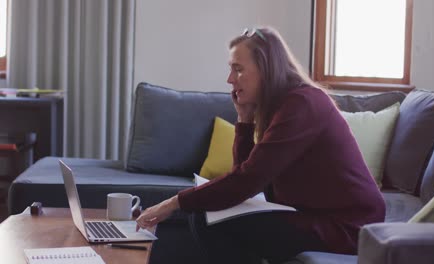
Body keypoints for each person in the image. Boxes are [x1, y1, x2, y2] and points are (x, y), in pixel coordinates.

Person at [136, 27, 385, 264]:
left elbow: (245, 181)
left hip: (346, 227)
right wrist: (244, 119)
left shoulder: (302, 105)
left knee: (208, 216)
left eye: (238, 69)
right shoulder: (281, 106)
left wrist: (172, 203)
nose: (230, 79)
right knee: (208, 213)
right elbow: (248, 180)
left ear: (266, 69)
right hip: (312, 215)